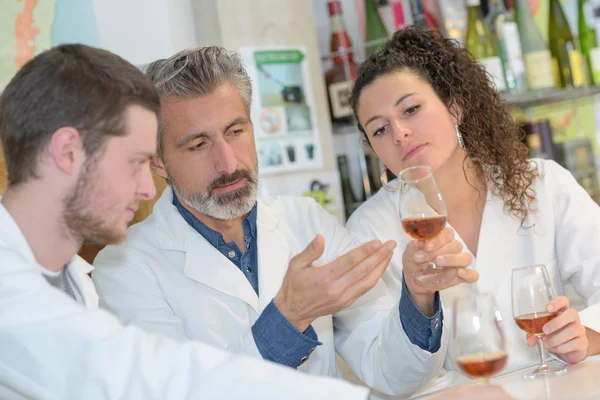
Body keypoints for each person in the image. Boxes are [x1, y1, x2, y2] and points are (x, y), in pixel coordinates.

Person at [91, 46, 479, 397]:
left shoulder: (305, 221)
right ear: (157, 160)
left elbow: (394, 373)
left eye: (235, 131)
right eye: (198, 145)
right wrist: (288, 319)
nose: (228, 162)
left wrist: (418, 297)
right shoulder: (125, 267)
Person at [0, 43, 375, 400]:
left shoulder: (67, 278)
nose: (149, 188)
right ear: (67, 152)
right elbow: (153, 382)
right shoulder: (8, 286)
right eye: (134, 162)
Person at [346, 27, 600, 381]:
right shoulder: (368, 231)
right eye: (379, 130)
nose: (400, 133)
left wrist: (587, 335)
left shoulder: (542, 184)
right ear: (375, 150)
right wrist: (417, 298)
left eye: (412, 109)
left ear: (455, 107)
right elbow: (389, 375)